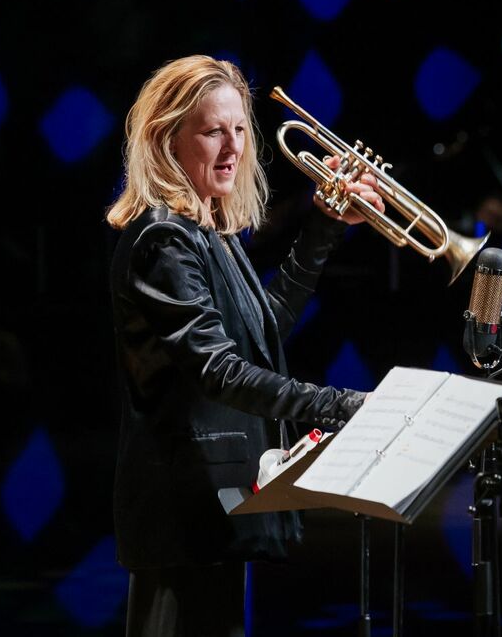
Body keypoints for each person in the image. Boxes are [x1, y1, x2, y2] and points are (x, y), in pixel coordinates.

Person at [106, 55, 384, 636]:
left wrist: (325, 225)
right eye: (213, 130)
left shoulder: (206, 233)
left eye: (238, 129)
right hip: (182, 513)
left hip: (212, 506)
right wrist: (338, 407)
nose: (232, 146)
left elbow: (261, 337)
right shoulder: (163, 238)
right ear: (167, 140)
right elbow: (221, 372)